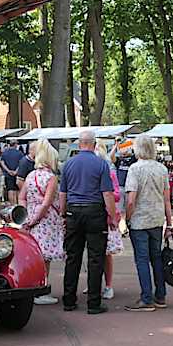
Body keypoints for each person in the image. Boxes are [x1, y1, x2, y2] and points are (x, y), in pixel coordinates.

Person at [59, 130, 117, 314]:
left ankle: (69, 299)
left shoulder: (68, 164)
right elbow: (107, 193)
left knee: (72, 257)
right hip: (95, 212)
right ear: (93, 144)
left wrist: (63, 213)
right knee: (95, 258)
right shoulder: (101, 164)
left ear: (79, 144)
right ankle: (93, 302)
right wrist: (112, 217)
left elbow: (63, 194)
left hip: (73, 211)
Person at [123, 135, 172, 312]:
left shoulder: (135, 169)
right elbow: (167, 199)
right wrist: (170, 223)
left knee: (142, 259)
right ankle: (161, 295)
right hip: (157, 218)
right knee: (156, 257)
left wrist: (127, 218)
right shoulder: (162, 169)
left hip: (140, 220)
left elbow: (131, 200)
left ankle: (146, 298)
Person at [19, 139, 64, 305]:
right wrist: (36, 218)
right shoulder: (51, 178)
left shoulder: (31, 175)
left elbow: (21, 197)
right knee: (45, 258)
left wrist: (26, 216)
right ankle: (41, 289)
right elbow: (47, 203)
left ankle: (33, 287)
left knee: (34, 255)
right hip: (46, 221)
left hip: (30, 217)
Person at [94, 141, 124, 299]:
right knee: (93, 252)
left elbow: (117, 195)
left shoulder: (111, 173)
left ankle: (108, 285)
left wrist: (107, 194)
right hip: (95, 215)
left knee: (106, 253)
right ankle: (94, 284)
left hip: (107, 217)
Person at [0, 138, 24, 204]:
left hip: (8, 174)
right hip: (17, 174)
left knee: (10, 190)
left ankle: (12, 205)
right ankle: (17, 204)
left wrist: (8, 171)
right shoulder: (20, 153)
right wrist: (16, 171)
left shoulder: (4, 153)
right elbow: (21, 163)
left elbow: (2, 163)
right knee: (17, 190)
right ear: (15, 145)